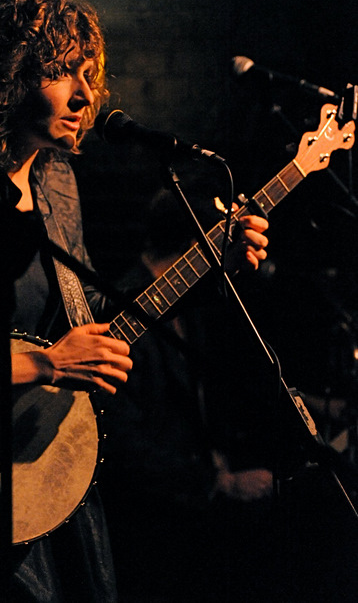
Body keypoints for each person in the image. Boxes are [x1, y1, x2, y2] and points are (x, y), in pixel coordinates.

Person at [0, 0, 269, 602]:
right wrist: (46, 363)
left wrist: (204, 273)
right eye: (63, 72)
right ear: (1, 76)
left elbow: (94, 323)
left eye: (90, 75)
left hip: (48, 483)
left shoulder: (57, 178)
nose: (87, 97)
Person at [98, 178, 275, 602]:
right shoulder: (124, 308)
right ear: (198, 248)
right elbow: (122, 439)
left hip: (182, 514)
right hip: (147, 531)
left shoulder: (185, 307)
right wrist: (221, 482)